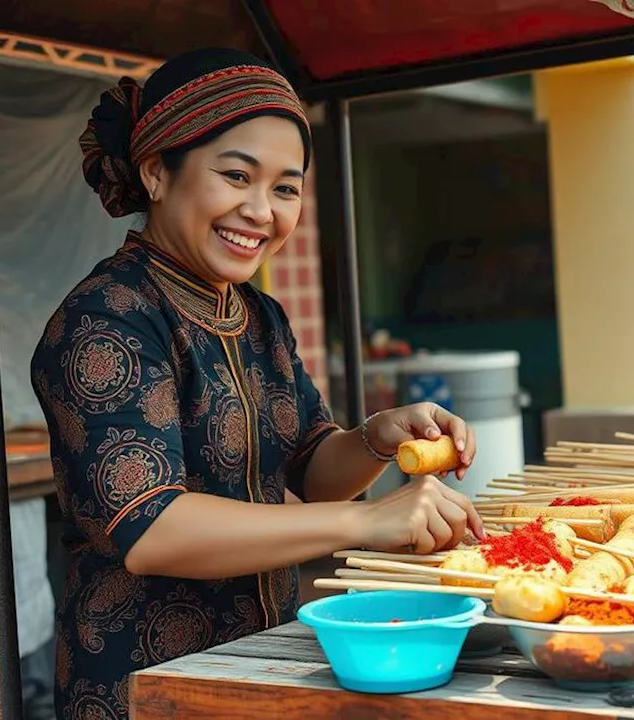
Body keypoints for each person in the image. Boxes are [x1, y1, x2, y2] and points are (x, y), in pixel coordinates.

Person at [30, 48, 484, 720]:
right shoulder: (107, 317)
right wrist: (366, 521)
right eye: (236, 176)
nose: (261, 210)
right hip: (144, 686)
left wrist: (377, 438)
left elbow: (312, 468)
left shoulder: (257, 314)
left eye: (285, 187)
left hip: (257, 664)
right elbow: (153, 529)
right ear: (157, 172)